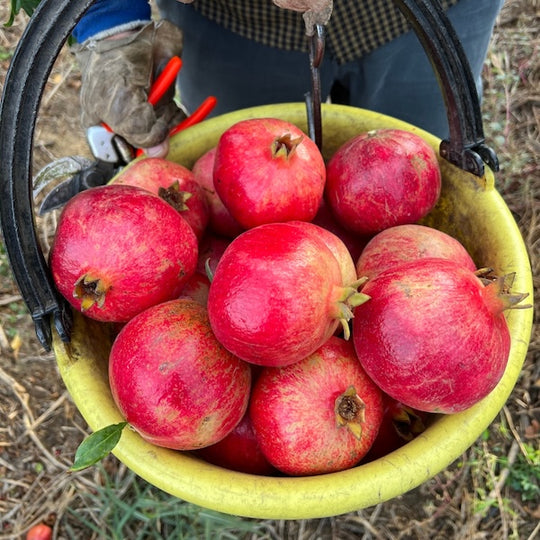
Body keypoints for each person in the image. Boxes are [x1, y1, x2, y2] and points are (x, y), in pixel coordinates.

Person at [71, 0, 505, 158]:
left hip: (433, 15)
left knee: (425, 163)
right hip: (238, 20)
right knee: (237, 172)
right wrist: (110, 21)